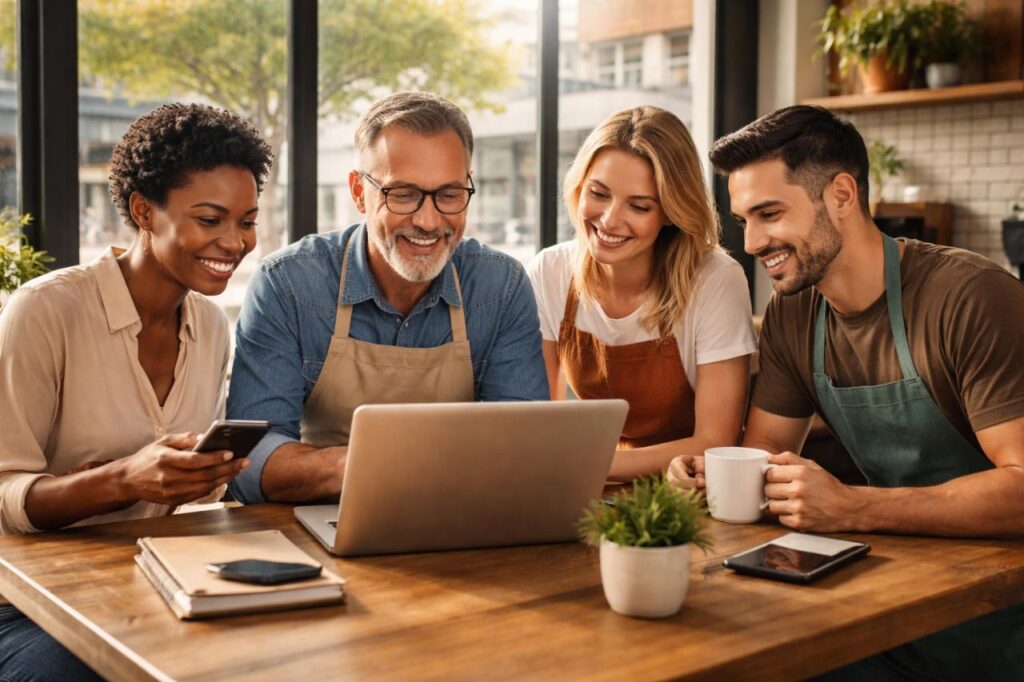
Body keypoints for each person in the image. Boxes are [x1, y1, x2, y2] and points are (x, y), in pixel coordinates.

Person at [670, 104, 1024, 680]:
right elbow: (767, 455)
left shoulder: (970, 298)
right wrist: (715, 475)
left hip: (998, 620)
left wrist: (854, 506)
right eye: (743, 221)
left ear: (840, 195)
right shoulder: (792, 314)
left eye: (769, 214)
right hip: (889, 605)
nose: (752, 242)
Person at [0, 103, 272, 680]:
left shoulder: (211, 326)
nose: (235, 242)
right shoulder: (45, 312)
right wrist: (120, 480)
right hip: (27, 604)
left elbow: (191, 500)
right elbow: (3, 494)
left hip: (152, 579)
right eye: (210, 219)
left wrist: (204, 475)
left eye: (247, 221)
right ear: (144, 211)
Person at [227, 91, 548, 505]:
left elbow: (524, 445)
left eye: (450, 194)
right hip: (320, 518)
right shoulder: (288, 283)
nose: (428, 221)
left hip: (458, 514)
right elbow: (249, 460)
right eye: (403, 194)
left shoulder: (500, 286)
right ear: (359, 192)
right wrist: (374, 464)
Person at [527, 106, 755, 481]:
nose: (610, 220)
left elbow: (716, 441)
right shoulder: (551, 272)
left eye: (639, 206)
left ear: (670, 211)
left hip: (686, 490)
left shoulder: (716, 280)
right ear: (579, 187)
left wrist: (590, 465)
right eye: (598, 193)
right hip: (590, 487)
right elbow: (539, 422)